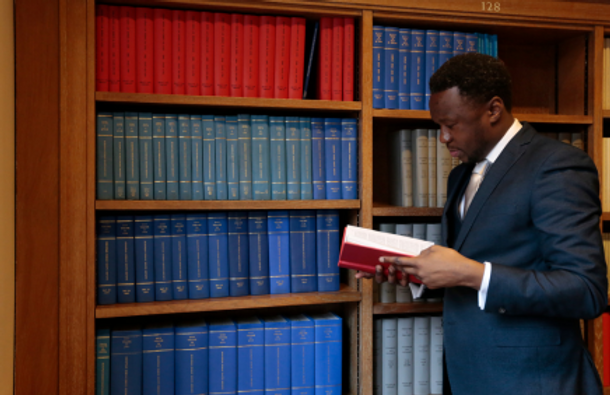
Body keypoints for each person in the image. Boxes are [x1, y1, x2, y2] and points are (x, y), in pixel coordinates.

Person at [357, 53, 608, 395]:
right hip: (469, 375)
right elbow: (478, 260)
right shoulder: (461, 174)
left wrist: (470, 273)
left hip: (533, 381)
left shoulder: (557, 166)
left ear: (493, 110)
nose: (442, 138)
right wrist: (415, 273)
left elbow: (586, 290)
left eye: (451, 124)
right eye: (438, 126)